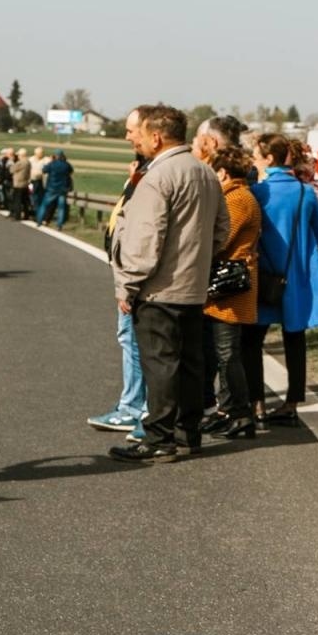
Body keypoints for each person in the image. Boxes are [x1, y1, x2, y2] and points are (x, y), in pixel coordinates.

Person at [107, 104, 229, 463]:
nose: (137, 141)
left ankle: (159, 437)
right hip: (193, 287)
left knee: (160, 364)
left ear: (156, 137)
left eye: (140, 134)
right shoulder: (204, 173)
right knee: (191, 364)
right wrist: (199, 260)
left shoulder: (158, 177)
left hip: (158, 288)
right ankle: (187, 434)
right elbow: (221, 228)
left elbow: (145, 239)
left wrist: (127, 285)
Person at [244, 133, 318, 426]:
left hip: (264, 275)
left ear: (268, 159)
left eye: (255, 155)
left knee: (251, 340)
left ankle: (257, 404)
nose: (252, 160)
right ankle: (291, 405)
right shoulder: (305, 193)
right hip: (298, 275)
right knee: (295, 338)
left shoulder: (258, 192)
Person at [88, 128, 150, 442]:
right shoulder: (138, 182)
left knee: (135, 344)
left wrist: (129, 284)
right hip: (128, 275)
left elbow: (141, 235)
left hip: (137, 280)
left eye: (131, 131)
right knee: (130, 341)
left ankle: (135, 407)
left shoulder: (145, 183)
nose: (127, 137)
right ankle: (134, 404)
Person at [198, 145, 262, 439]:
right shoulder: (234, 196)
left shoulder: (237, 199)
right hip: (224, 287)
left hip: (229, 289)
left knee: (227, 355)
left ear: (223, 172)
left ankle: (240, 415)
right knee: (222, 354)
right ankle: (227, 412)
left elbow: (219, 241)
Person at [35, 149, 74, 229]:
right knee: (61, 208)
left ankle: (39, 221)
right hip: (62, 190)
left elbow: (44, 170)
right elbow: (71, 171)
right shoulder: (66, 165)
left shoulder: (52, 164)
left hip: (51, 188)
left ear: (55, 156)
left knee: (44, 205)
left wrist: (51, 161)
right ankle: (59, 225)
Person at [9, 147, 33, 221]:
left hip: (18, 184)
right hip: (25, 183)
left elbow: (11, 170)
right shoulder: (28, 162)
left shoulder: (20, 162)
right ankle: (26, 214)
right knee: (25, 201)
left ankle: (17, 216)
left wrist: (12, 161)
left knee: (17, 201)